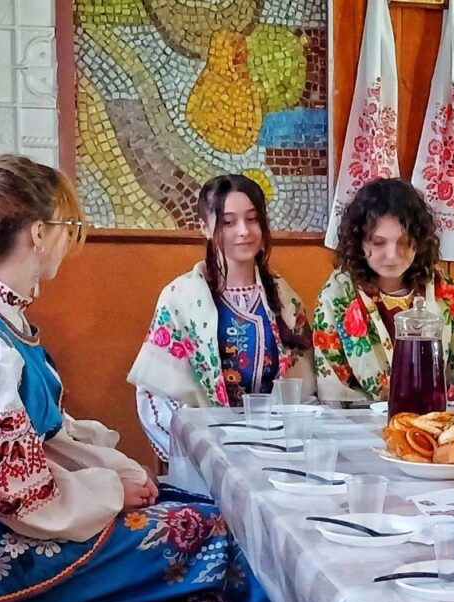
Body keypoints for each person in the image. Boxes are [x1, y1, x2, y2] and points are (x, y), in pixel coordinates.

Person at [0, 155, 272, 602]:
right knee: (214, 535)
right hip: (2, 555)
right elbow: (19, 497)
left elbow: (47, 438)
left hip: (31, 516)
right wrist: (111, 490)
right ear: (38, 234)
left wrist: (118, 473)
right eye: (66, 228)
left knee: (211, 507)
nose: (68, 242)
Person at [128, 174, 315, 462]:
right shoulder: (180, 299)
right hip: (208, 454)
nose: (244, 231)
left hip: (277, 451)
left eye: (252, 219)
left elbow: (306, 388)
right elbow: (156, 394)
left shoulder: (284, 297)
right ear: (205, 227)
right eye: (228, 222)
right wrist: (205, 449)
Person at [313, 177, 454, 401]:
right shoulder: (336, 298)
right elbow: (334, 390)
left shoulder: (446, 292)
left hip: (434, 418)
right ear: (359, 242)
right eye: (378, 242)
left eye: (403, 242)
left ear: (419, 241)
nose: (392, 255)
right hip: (360, 421)